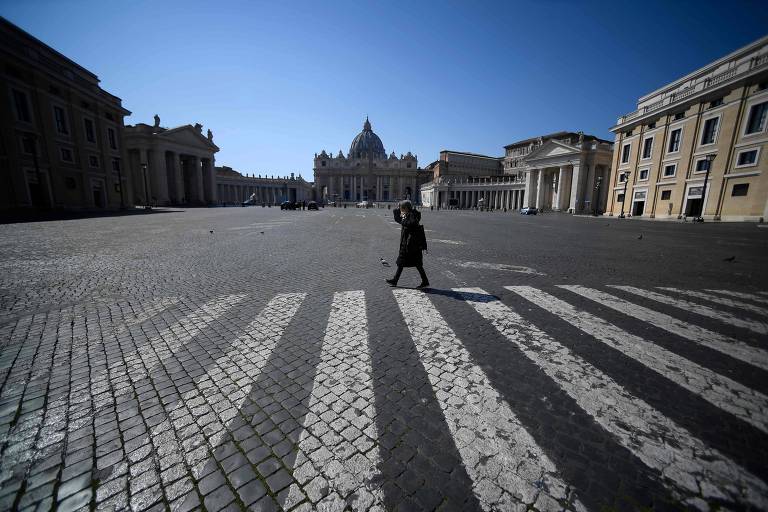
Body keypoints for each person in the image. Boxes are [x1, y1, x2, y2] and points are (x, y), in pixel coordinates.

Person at [387, 200, 429, 288]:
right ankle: (395, 280)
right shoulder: (408, 214)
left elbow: (411, 223)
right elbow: (398, 219)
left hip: (411, 244)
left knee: (414, 263)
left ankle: (424, 281)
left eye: (402, 208)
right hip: (408, 243)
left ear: (406, 208)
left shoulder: (412, 215)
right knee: (403, 263)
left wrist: (403, 221)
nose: (401, 210)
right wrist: (398, 209)